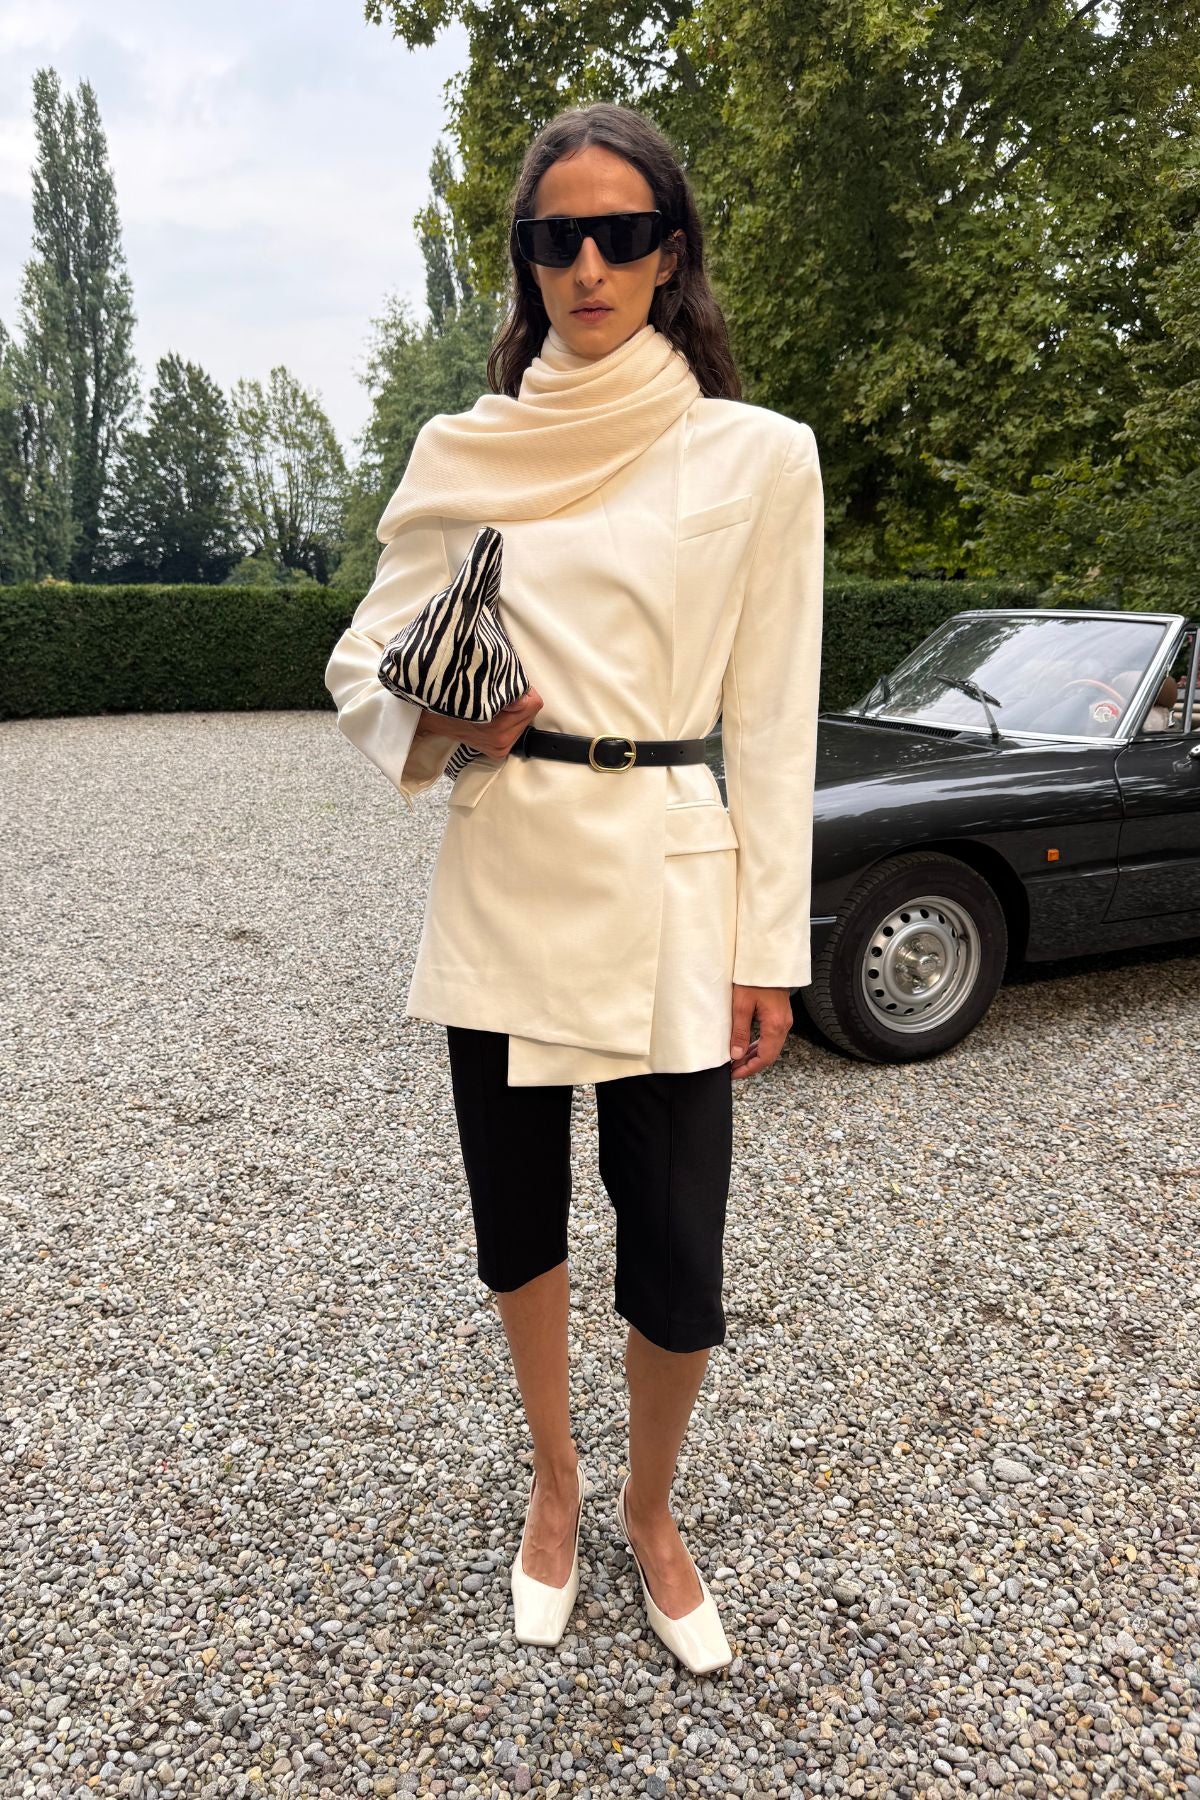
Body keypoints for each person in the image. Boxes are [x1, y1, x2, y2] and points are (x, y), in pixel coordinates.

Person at [324, 102, 824, 1674]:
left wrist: (770, 945)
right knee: (516, 1217)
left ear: (671, 253)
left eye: (621, 234)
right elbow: (359, 659)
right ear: (526, 260)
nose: (590, 265)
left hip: (674, 878)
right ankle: (557, 1483)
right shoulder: (468, 449)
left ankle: (652, 1511)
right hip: (509, 859)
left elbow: (775, 722)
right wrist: (446, 719)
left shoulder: (757, 455)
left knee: (677, 1248)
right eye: (558, 238)